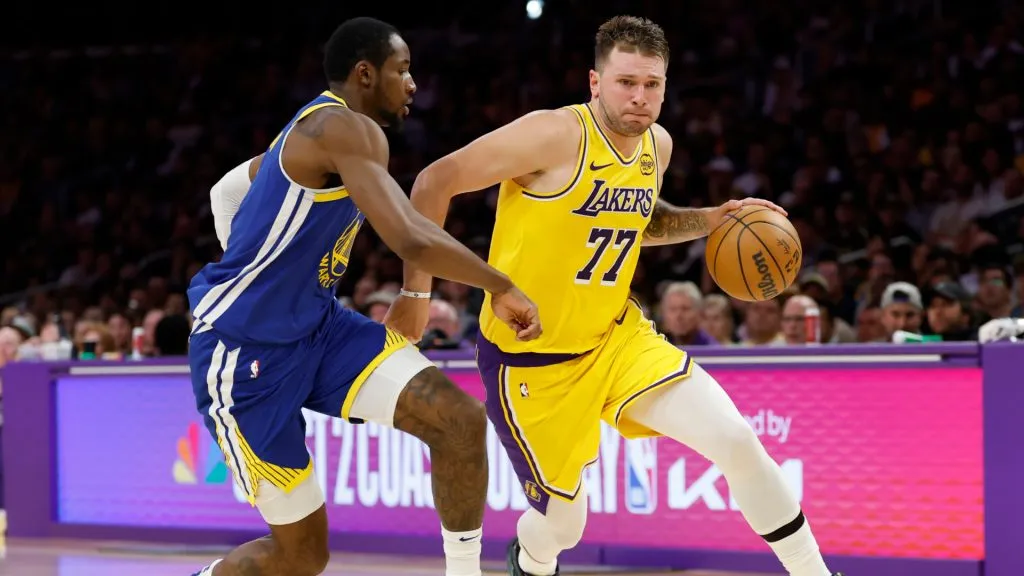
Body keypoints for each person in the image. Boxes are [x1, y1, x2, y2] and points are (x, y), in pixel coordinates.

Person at [388, 15, 841, 576]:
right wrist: (416, 292)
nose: (640, 97)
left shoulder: (657, 145)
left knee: (735, 439)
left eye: (652, 84)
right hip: (531, 362)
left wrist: (713, 219)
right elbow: (433, 182)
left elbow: (641, 218)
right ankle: (530, 558)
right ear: (595, 81)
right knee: (564, 527)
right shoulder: (553, 134)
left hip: (615, 340)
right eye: (626, 82)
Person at [188, 17, 541, 576]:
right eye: (403, 70)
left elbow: (224, 190)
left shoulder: (315, 131)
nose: (413, 84)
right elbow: (409, 236)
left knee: (459, 422)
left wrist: (269, 275)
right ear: (364, 74)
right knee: (302, 558)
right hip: (244, 352)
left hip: (321, 331)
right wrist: (499, 285)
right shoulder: (341, 128)